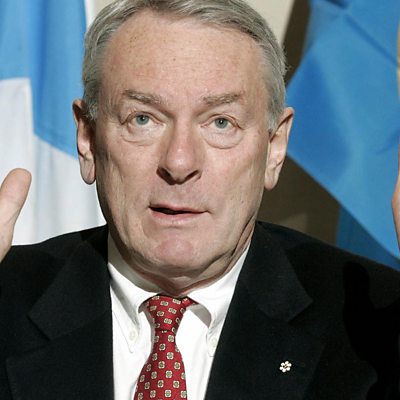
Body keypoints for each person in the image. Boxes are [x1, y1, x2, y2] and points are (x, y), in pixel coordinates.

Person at [0, 0, 399, 399]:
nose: (179, 162)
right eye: (143, 119)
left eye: (221, 123)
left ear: (274, 149)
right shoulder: (5, 298)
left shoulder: (379, 324)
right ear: (88, 140)